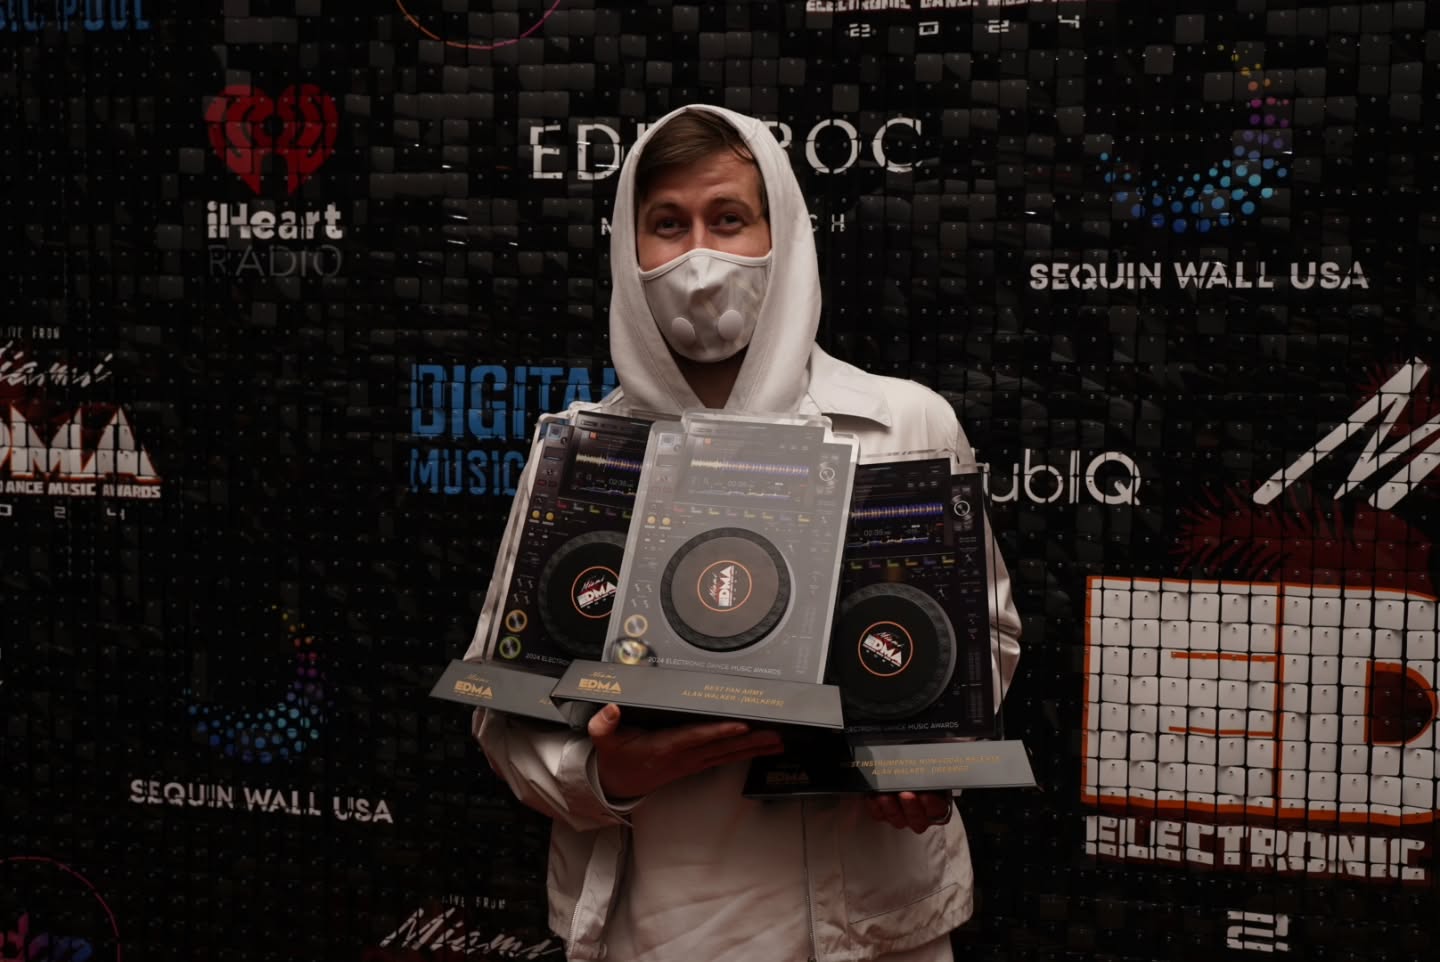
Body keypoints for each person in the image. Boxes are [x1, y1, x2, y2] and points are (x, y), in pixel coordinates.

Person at [465, 104, 1022, 962]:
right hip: (651, 927)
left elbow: (986, 639)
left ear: (783, 235)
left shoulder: (904, 423)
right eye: (667, 225)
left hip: (868, 928)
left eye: (728, 219)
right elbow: (502, 707)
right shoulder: (579, 453)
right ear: (628, 249)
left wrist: (927, 759)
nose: (699, 261)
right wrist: (604, 775)